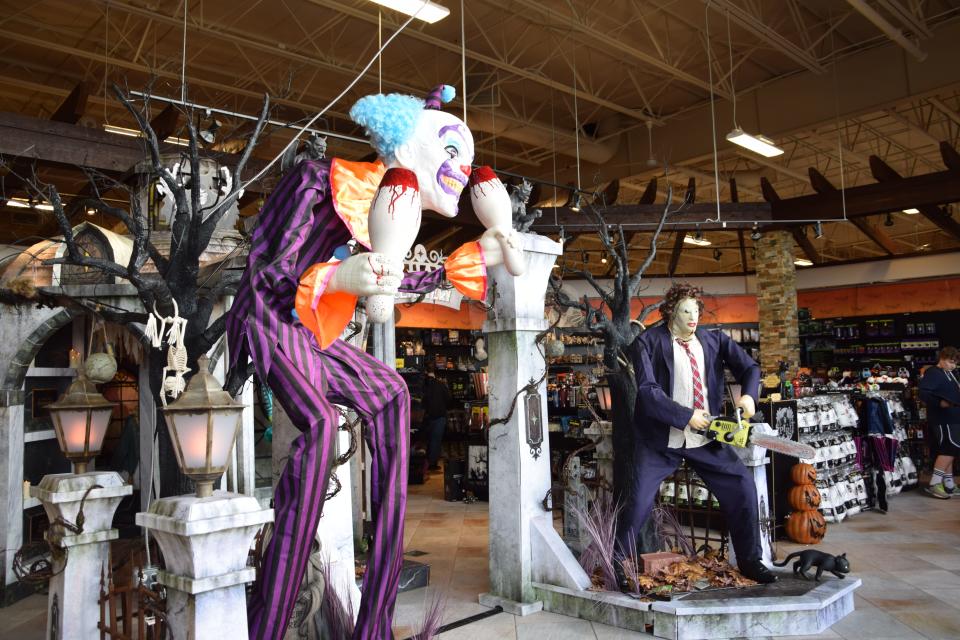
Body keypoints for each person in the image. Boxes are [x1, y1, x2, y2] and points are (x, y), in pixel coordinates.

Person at [226, 84, 520, 639]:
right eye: (453, 155)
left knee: (391, 395)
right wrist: (338, 277)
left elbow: (395, 276)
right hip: (269, 318)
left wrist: (472, 257)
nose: (464, 172)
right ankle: (266, 625)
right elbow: (265, 271)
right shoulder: (316, 181)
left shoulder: (384, 212)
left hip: (312, 334)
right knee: (317, 426)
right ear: (409, 150)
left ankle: (374, 626)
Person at [619, 283, 776, 584]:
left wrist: (748, 398)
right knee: (637, 502)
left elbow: (750, 369)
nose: (693, 316)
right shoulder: (647, 343)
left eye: (696, 310)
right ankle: (618, 564)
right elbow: (648, 392)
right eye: (685, 310)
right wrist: (687, 415)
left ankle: (750, 560)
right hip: (660, 439)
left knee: (743, 487)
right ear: (670, 312)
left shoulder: (714, 339)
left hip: (706, 439)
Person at [919, 346, 960, 499]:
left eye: (955, 363)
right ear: (941, 359)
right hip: (943, 418)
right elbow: (923, 392)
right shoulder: (934, 373)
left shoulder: (950, 373)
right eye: (950, 362)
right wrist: (940, 403)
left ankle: (949, 485)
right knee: (950, 449)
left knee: (951, 449)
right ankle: (935, 484)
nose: (953, 365)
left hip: (953, 417)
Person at [421, 368, 452, 470]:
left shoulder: (423, 386)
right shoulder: (441, 385)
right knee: (436, 440)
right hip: (439, 416)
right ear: (435, 375)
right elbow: (449, 399)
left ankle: (425, 461)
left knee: (428, 440)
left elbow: (422, 401)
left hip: (427, 417)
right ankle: (432, 463)